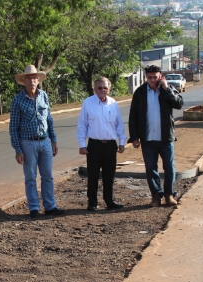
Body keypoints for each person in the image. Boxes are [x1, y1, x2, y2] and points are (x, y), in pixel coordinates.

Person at [9, 65, 64, 218]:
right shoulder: (17, 100)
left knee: (48, 176)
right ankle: (33, 208)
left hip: (45, 141)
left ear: (38, 80)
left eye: (34, 78)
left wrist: (53, 140)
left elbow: (49, 119)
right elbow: (13, 127)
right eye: (28, 78)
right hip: (28, 143)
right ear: (24, 80)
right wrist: (18, 150)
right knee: (30, 177)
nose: (31, 80)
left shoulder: (43, 96)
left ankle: (50, 206)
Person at [128, 65, 184, 207]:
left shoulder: (167, 89)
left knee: (169, 167)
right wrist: (134, 137)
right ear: (146, 77)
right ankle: (156, 196)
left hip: (165, 138)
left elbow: (179, 104)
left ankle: (169, 195)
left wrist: (166, 89)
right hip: (148, 138)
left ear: (160, 76)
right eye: (149, 77)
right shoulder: (140, 92)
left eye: (155, 77)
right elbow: (133, 115)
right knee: (151, 168)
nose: (152, 80)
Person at [76, 77, 126, 211]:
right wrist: (82, 144)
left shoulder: (113, 103)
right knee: (93, 174)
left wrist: (122, 142)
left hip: (110, 144)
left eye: (105, 88)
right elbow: (82, 124)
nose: (102, 90)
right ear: (95, 89)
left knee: (109, 175)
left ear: (109, 89)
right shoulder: (88, 103)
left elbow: (119, 124)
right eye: (99, 88)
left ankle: (110, 201)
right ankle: (92, 202)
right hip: (94, 145)